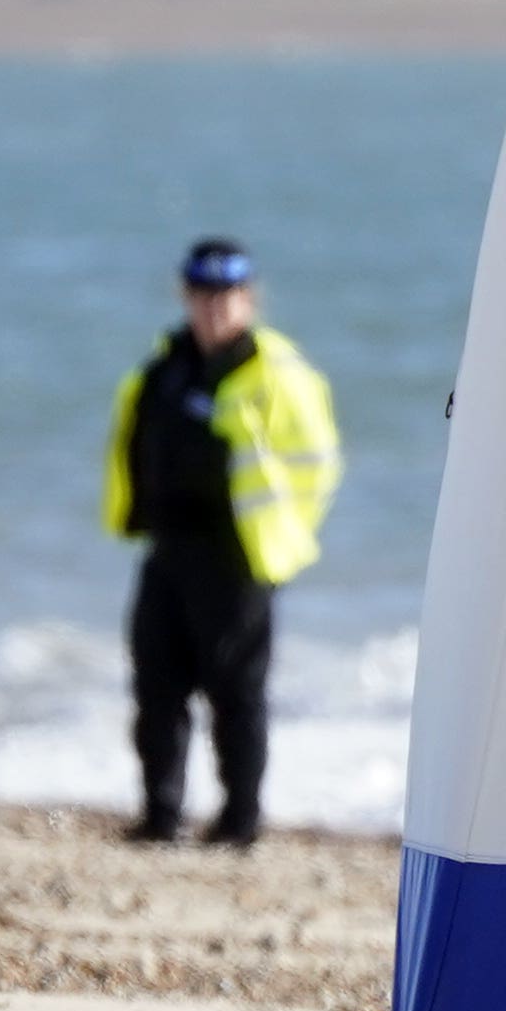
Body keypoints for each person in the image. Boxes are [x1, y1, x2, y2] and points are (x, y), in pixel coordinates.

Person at [105, 235, 343, 846]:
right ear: (186, 296)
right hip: (169, 547)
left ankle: (240, 820)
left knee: (236, 695)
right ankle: (161, 815)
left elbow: (318, 463)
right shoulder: (165, 366)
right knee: (156, 687)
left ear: (250, 298)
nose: (215, 308)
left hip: (239, 554)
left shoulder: (278, 374)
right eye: (204, 294)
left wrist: (285, 535)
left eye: (228, 295)